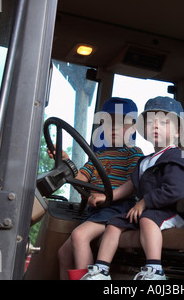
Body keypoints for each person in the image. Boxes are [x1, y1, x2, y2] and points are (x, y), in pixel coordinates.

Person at [81, 96, 184, 280]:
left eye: (163, 122)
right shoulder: (145, 161)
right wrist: (107, 197)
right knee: (114, 223)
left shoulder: (178, 157)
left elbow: (174, 190)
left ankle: (154, 270)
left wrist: (144, 203)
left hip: (173, 212)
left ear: (178, 131)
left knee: (147, 219)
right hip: (151, 210)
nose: (155, 126)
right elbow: (130, 186)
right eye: (151, 122)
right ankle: (100, 271)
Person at [49, 97, 143, 280]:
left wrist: (108, 196)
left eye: (122, 123)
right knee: (63, 253)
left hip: (118, 209)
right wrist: (65, 161)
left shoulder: (133, 153)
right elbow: (80, 179)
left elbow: (133, 184)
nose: (114, 128)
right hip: (97, 212)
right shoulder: (97, 157)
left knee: (79, 235)